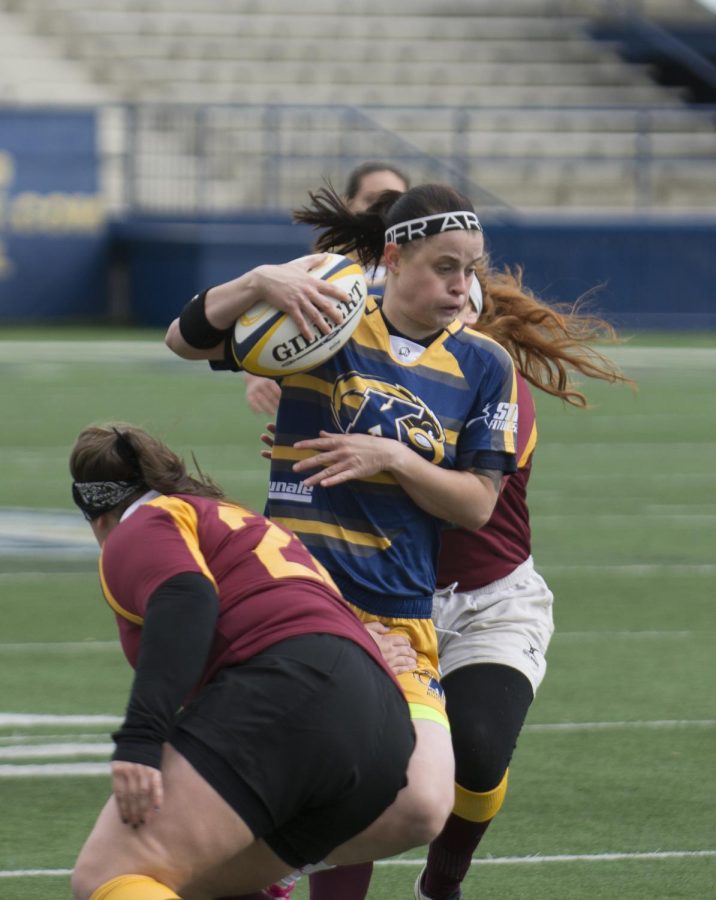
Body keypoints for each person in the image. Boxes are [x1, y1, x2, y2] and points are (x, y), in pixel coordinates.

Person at [165, 182, 522, 891]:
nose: (461, 285)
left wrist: (393, 457)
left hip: (398, 615)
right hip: (293, 605)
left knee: (421, 800)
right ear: (394, 256)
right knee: (263, 785)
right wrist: (259, 281)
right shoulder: (326, 318)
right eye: (444, 266)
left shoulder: (487, 366)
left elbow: (478, 506)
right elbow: (185, 340)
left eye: (471, 268)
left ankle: (258, 873)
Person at [68, 423, 417, 900]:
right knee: (208, 883)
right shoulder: (234, 518)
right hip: (382, 729)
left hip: (291, 693)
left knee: (107, 875)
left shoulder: (142, 526)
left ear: (95, 511)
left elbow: (187, 596)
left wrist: (140, 738)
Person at [243, 160, 410, 416]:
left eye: (394, 201)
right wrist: (258, 372)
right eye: (372, 199)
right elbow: (264, 327)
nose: (382, 211)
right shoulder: (318, 272)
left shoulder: (424, 278)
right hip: (326, 414)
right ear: (348, 203)